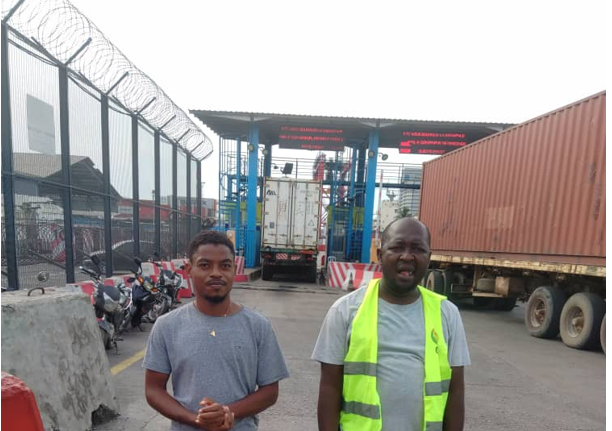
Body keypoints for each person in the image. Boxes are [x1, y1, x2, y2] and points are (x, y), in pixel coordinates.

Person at [312, 217, 470, 431]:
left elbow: (456, 391)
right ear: (380, 255)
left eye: (418, 249)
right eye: (397, 247)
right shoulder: (345, 311)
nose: (407, 256)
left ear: (429, 258)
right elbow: (330, 388)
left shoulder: (447, 314)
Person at [143, 230, 290, 431]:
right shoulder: (167, 326)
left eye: (225, 265)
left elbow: (270, 391)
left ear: (234, 270)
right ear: (189, 269)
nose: (216, 273)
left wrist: (227, 413)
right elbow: (153, 390)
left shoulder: (258, 326)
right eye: (205, 265)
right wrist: (195, 419)